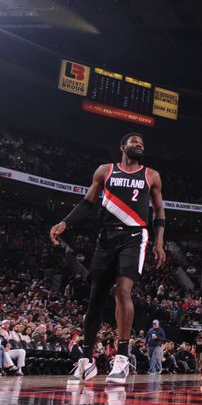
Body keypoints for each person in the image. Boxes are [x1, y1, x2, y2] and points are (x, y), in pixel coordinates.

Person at [50, 132, 166, 385]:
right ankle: (86, 359)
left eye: (143, 144)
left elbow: (159, 211)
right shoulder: (105, 171)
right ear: (123, 147)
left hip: (135, 236)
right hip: (106, 238)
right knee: (95, 298)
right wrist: (64, 223)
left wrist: (159, 242)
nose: (140, 146)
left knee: (123, 291)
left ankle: (122, 358)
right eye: (135, 142)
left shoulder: (151, 175)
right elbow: (87, 203)